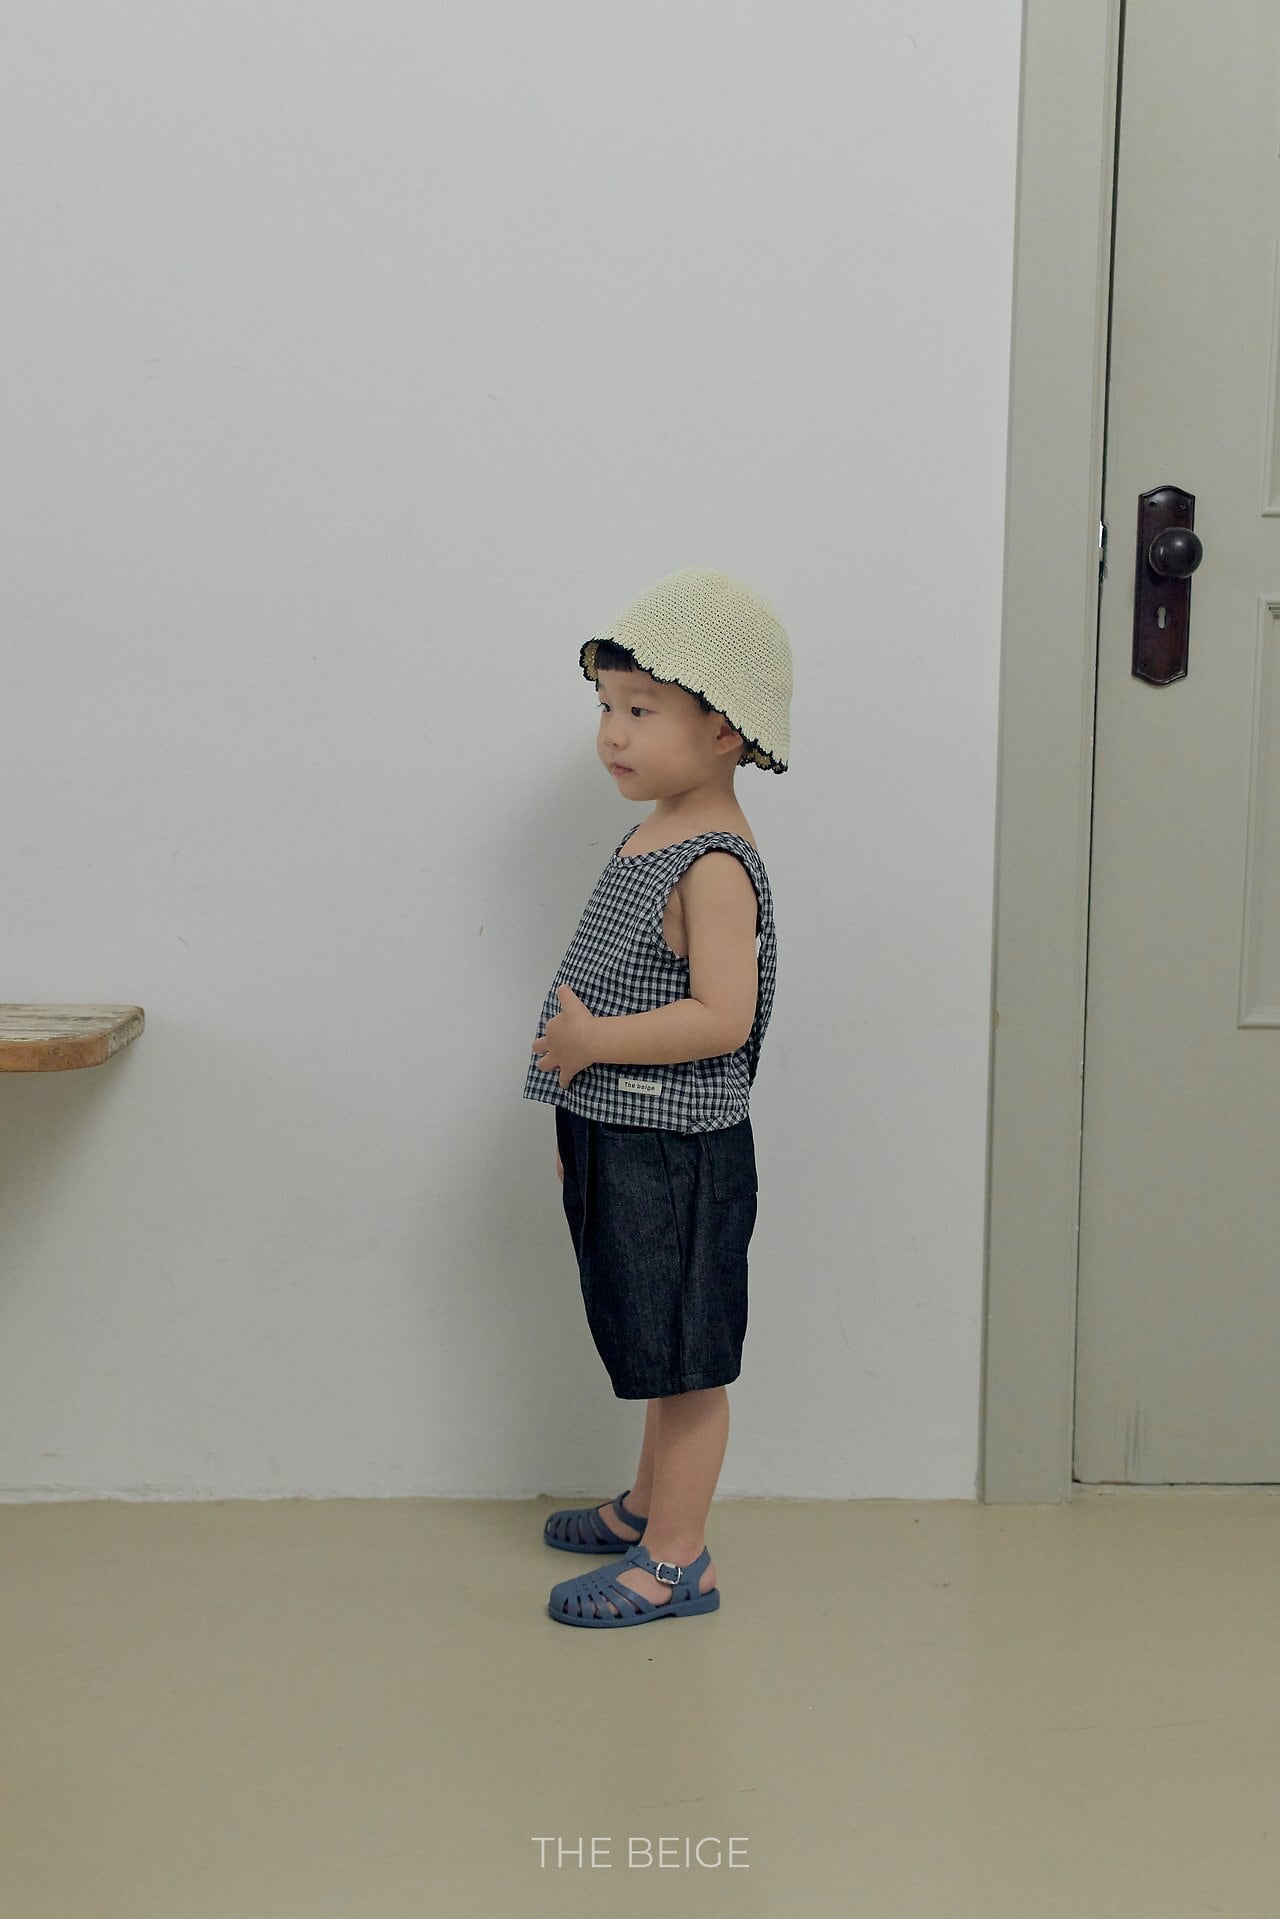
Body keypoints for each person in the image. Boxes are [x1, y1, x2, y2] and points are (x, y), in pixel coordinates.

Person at [523, 565, 791, 1628]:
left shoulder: (713, 861)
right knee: (649, 1337)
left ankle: (678, 1558)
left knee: (685, 1361)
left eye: (641, 710)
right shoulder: (656, 830)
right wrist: (576, 1116)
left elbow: (721, 1016)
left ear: (723, 729)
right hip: (621, 1134)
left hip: (676, 1151)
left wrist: (590, 1043)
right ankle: (647, 1507)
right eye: (606, 706)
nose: (611, 734)